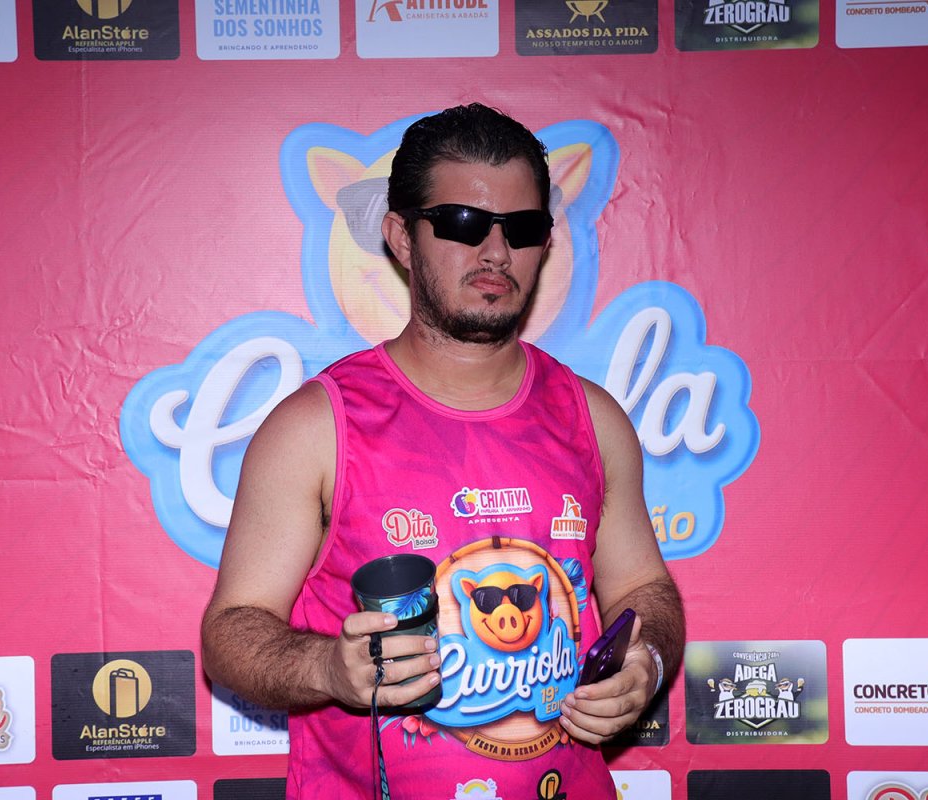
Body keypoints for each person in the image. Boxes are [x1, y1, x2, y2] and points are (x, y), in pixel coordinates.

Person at [201, 103, 685, 799]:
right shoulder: (316, 427)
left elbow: (644, 590)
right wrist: (326, 669)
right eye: (463, 223)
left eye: (522, 228)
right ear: (401, 236)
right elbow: (232, 631)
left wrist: (647, 662)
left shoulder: (594, 418)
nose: (496, 252)